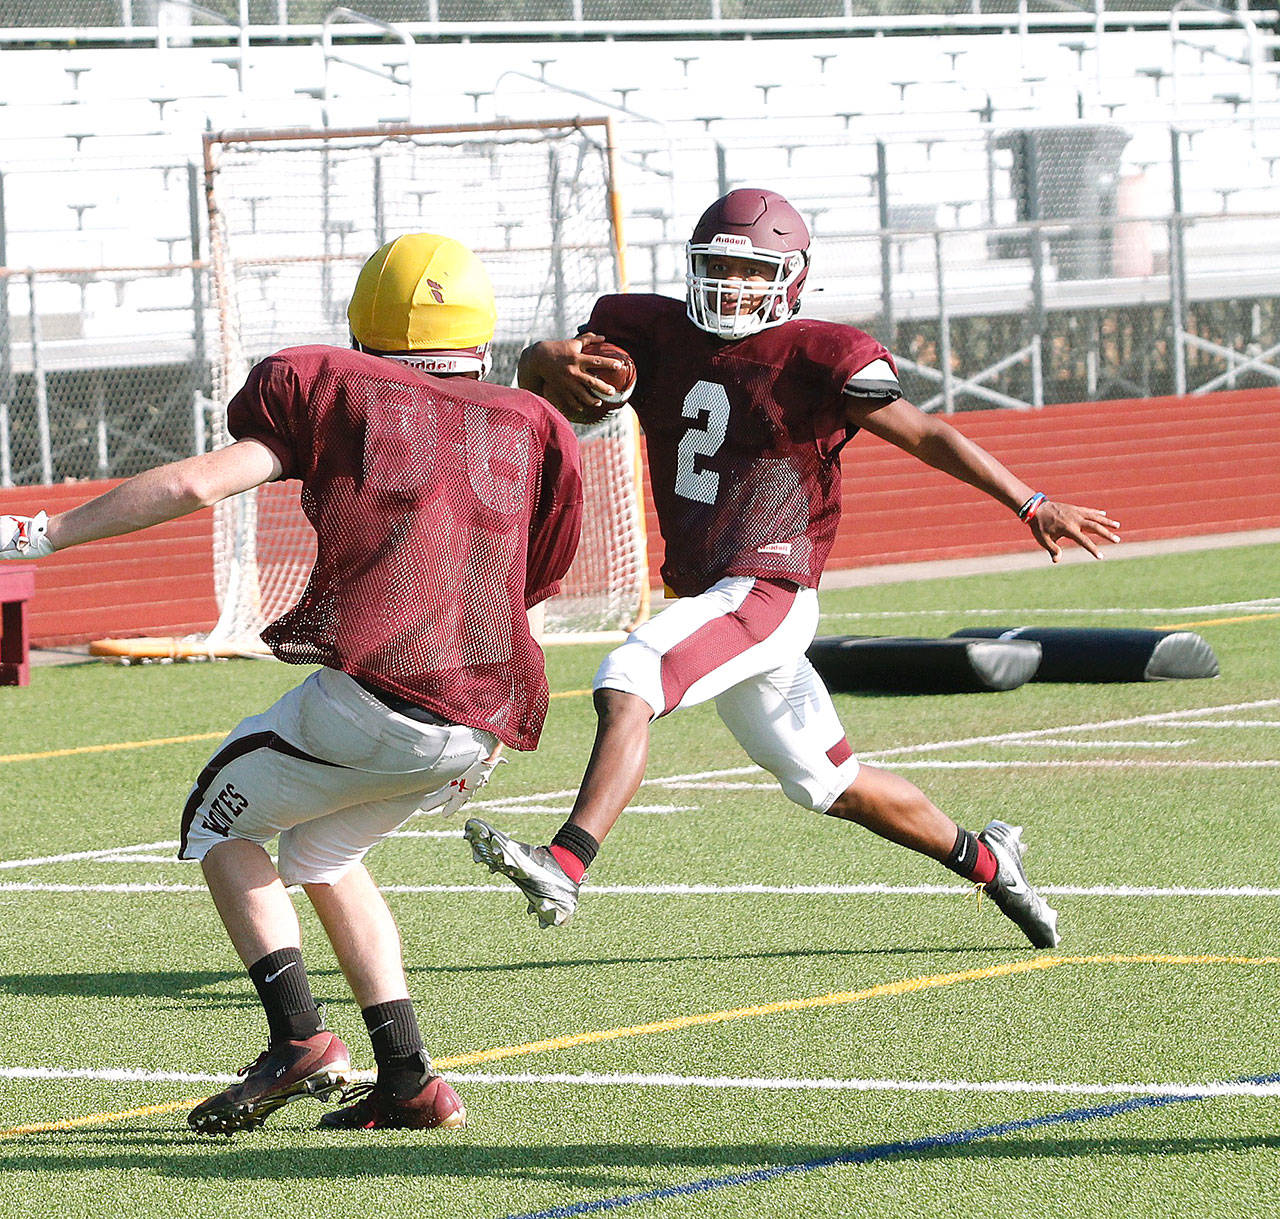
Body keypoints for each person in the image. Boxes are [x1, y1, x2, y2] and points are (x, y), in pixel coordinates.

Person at [0, 233, 583, 1133]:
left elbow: (198, 484)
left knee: (216, 818)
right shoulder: (533, 423)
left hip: (379, 699)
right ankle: (409, 1080)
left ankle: (301, 1039)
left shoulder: (334, 385)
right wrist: (487, 732)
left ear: (367, 319)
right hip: (477, 717)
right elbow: (526, 593)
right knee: (325, 854)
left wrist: (42, 534)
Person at [463, 187, 1120, 950]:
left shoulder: (817, 356)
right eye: (719, 267)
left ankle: (566, 863)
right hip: (709, 593)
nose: (732, 285)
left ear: (789, 277)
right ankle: (989, 859)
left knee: (630, 674)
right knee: (829, 783)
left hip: (769, 586)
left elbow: (928, 434)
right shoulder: (653, 333)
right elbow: (557, 400)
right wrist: (534, 358)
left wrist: (1028, 500)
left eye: (750, 270)